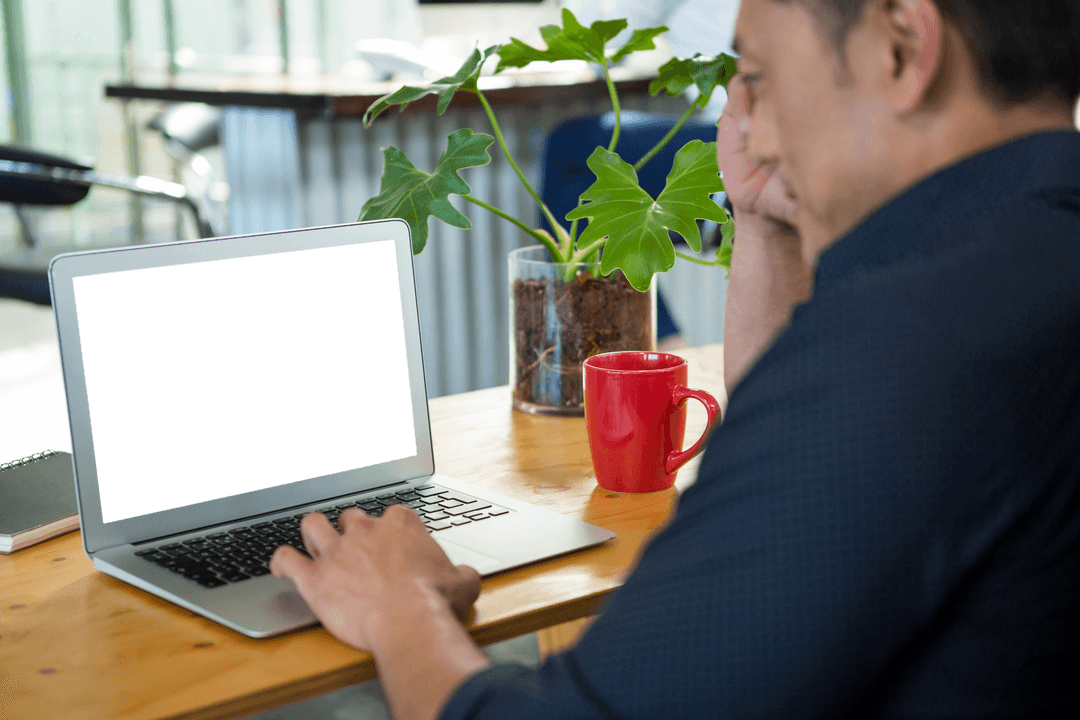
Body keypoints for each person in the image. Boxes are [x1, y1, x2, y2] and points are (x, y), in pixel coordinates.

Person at [270, 0, 1080, 717]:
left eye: (756, 78)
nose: (754, 127)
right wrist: (767, 225)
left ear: (901, 47)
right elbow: (802, 456)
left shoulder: (906, 347)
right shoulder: (1022, 270)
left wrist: (401, 606)